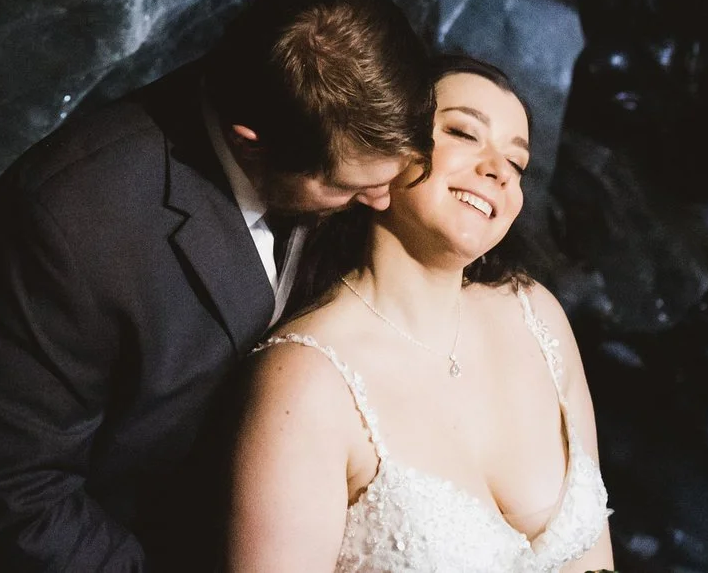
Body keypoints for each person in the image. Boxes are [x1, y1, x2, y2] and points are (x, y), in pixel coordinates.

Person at [0, 0, 436, 572]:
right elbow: (18, 495)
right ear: (252, 146)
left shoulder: (323, 122)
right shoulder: (69, 229)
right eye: (350, 187)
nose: (382, 201)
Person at [228, 52, 616, 573]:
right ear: (386, 154)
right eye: (464, 133)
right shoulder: (305, 380)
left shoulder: (536, 314)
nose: (498, 170)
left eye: (516, 163)